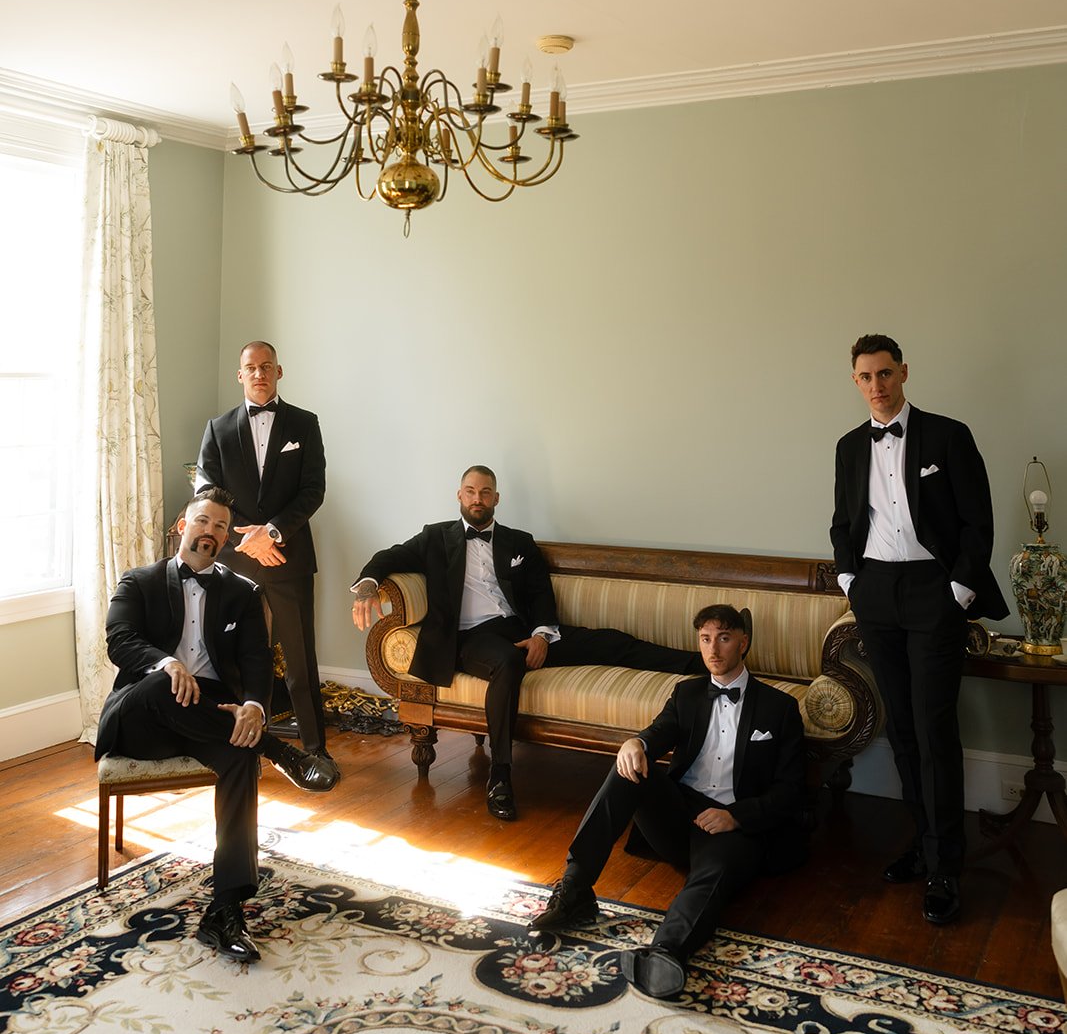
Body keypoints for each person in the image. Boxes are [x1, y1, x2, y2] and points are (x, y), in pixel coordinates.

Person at [350, 465, 703, 822]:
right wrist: (367, 587)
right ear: (459, 495)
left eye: (485, 492)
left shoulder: (519, 542)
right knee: (507, 662)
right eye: (471, 491)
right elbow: (389, 557)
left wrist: (541, 635)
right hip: (469, 638)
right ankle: (500, 775)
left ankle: (700, 664)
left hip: (519, 629)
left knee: (609, 642)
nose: (477, 499)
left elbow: (539, 594)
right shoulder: (435, 537)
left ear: (496, 499)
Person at [94, 487, 338, 964]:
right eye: (204, 521)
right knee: (166, 686)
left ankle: (224, 909)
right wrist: (167, 663)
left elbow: (256, 662)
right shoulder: (138, 581)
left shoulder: (243, 592)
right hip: (141, 719)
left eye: (221, 526)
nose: (211, 532)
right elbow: (119, 641)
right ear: (183, 526)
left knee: (241, 749)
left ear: (227, 538)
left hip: (209, 721)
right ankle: (281, 751)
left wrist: (252, 706)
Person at [528, 604, 806, 998]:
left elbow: (792, 790)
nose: (714, 649)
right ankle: (575, 890)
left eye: (724, 638)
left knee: (712, 876)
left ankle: (665, 952)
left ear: (743, 643)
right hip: (678, 814)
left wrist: (736, 817)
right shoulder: (688, 692)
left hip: (732, 826)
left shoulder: (779, 708)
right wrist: (635, 743)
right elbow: (658, 733)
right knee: (628, 768)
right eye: (706, 639)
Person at [830, 332, 1007, 927]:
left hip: (936, 592)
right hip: (876, 593)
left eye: (885, 374)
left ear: (903, 372)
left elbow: (977, 521)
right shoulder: (850, 447)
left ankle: (945, 866)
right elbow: (843, 520)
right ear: (855, 382)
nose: (876, 386)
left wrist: (958, 589)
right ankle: (922, 841)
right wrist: (851, 580)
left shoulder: (948, 436)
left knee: (933, 728)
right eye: (865, 377)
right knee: (901, 727)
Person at [197, 340, 336, 780]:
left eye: (266, 367)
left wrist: (272, 531)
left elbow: (313, 490)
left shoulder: (305, 424)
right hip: (235, 562)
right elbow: (207, 493)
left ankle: (317, 752)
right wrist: (247, 538)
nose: (259, 374)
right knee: (231, 659)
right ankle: (237, 751)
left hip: (287, 557)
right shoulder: (217, 429)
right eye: (250, 368)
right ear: (240, 375)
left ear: (280, 371)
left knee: (300, 661)